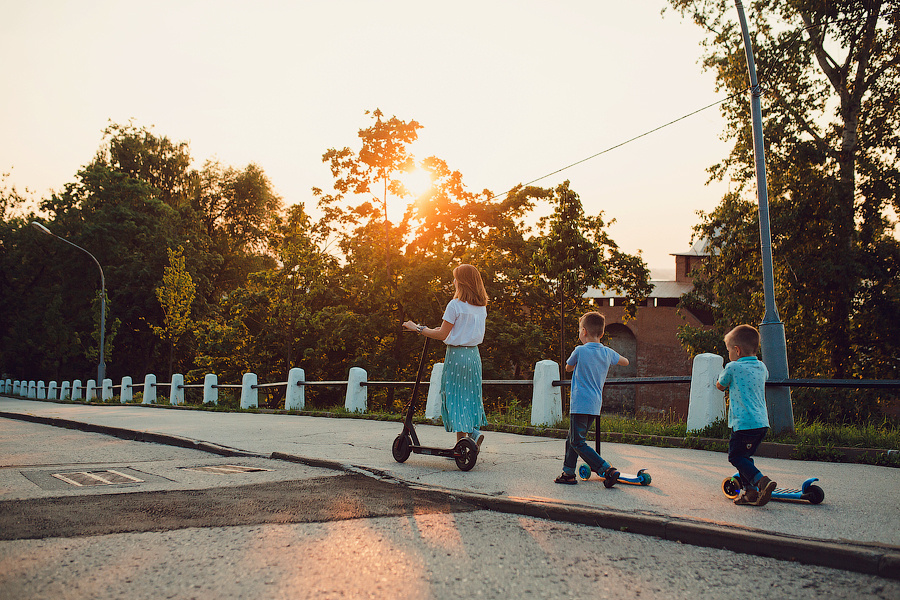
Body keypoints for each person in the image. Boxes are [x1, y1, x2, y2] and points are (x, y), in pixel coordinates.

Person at [403, 264, 488, 448]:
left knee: (453, 396)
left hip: (457, 356)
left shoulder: (455, 305)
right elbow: (453, 331)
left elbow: (442, 335)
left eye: (455, 278)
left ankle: (472, 433)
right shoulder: (480, 307)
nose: (453, 281)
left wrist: (418, 328)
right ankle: (462, 445)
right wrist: (434, 331)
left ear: (462, 282)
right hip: (473, 356)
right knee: (468, 397)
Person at [554, 311, 629, 488]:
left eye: (580, 330)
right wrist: (609, 357)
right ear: (601, 334)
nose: (579, 333)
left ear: (584, 332)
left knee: (577, 441)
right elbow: (625, 362)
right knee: (572, 438)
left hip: (579, 403)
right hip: (595, 405)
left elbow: (568, 368)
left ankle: (605, 469)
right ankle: (568, 474)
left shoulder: (579, 350)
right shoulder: (607, 352)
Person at [715, 324, 778, 506]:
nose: (729, 354)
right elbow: (763, 378)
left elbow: (721, 384)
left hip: (743, 423)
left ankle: (761, 481)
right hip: (761, 424)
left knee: (735, 457)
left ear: (737, 350)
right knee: (744, 458)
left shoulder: (732, 367)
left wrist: (719, 384)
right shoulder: (761, 367)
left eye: (729, 351)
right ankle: (750, 494)